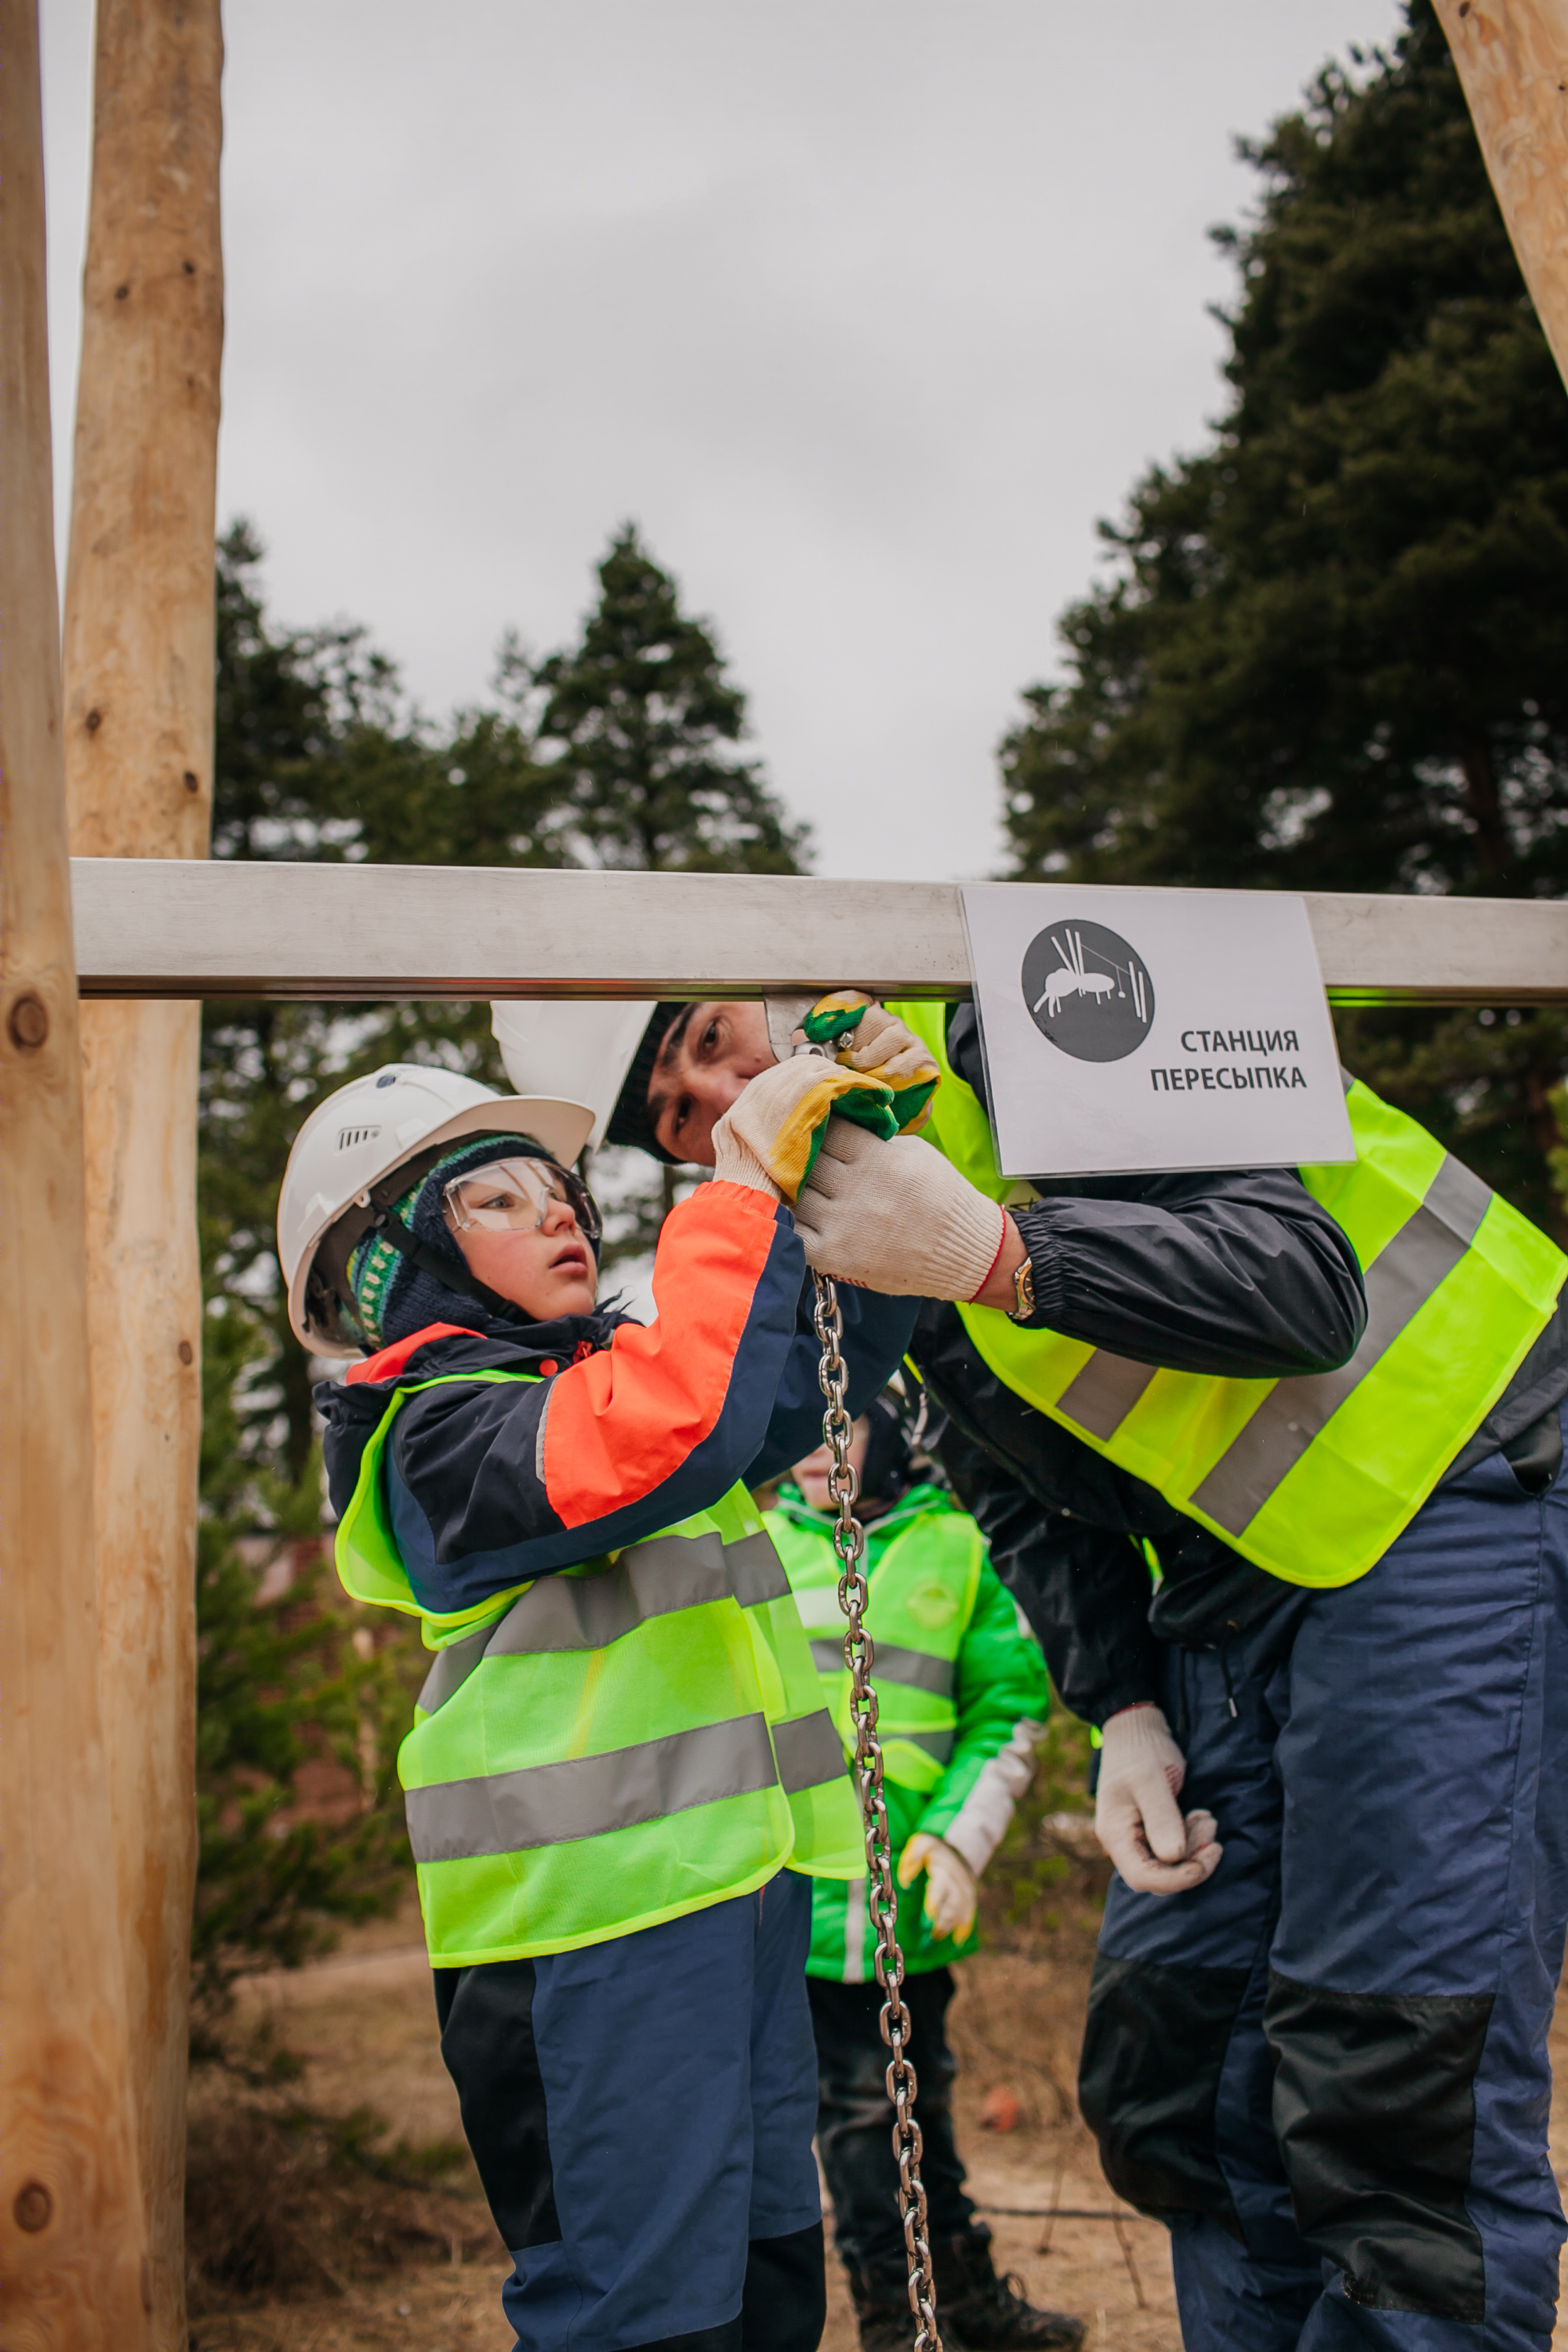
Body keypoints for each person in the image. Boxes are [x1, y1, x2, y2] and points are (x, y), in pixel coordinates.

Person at [501, 989, 1568, 2352]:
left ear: (787, 994)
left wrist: (998, 1253)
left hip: (1462, 1474)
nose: (720, 1098)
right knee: (1179, 2074)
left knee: (1397, 2083)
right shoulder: (849, 1230)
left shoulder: (1030, 1003)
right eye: (679, 1113)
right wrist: (1120, 1702)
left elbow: (1298, 1282)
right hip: (1241, 1589)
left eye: (716, 1041)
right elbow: (1015, 1485)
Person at [275, 1056, 918, 2352]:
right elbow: (676, 1426)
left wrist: (872, 1132)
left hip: (725, 1902)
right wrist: (737, 1186)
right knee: (641, 2319)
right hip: (588, 1942)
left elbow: (800, 1369)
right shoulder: (440, 1436)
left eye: (560, 1187)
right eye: (496, 1200)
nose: (561, 1210)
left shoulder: (610, 1381)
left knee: (765, 2286)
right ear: (395, 1263)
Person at [767, 1392, 1082, 2352]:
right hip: (794, 1908)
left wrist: (955, 1839)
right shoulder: (749, 1552)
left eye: (841, 1423)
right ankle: (896, 2321)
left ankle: (966, 2299)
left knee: (916, 2105)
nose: (818, 1451)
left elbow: (1007, 1709)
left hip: (908, 1901)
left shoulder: (959, 1546)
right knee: (861, 2119)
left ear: (889, 1431)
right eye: (794, 1431)